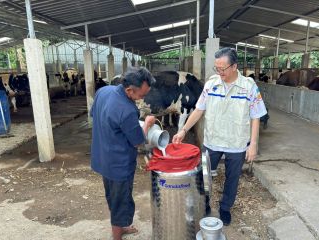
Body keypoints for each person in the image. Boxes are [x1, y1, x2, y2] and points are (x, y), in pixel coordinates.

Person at [172, 47, 267, 226]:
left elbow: (256, 116)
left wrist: (253, 143)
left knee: (232, 178)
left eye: (222, 68)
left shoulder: (249, 87)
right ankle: (204, 204)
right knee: (205, 176)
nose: (219, 72)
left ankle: (225, 208)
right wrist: (183, 130)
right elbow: (199, 109)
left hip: (236, 143)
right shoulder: (211, 84)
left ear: (234, 67)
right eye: (217, 68)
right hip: (212, 141)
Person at [90, 67, 156, 240]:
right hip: (119, 163)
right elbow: (138, 141)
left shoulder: (103, 91)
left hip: (103, 156)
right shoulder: (127, 110)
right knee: (121, 199)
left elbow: (96, 115)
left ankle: (121, 226)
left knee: (113, 195)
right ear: (129, 90)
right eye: (141, 95)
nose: (143, 98)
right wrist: (147, 123)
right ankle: (117, 235)